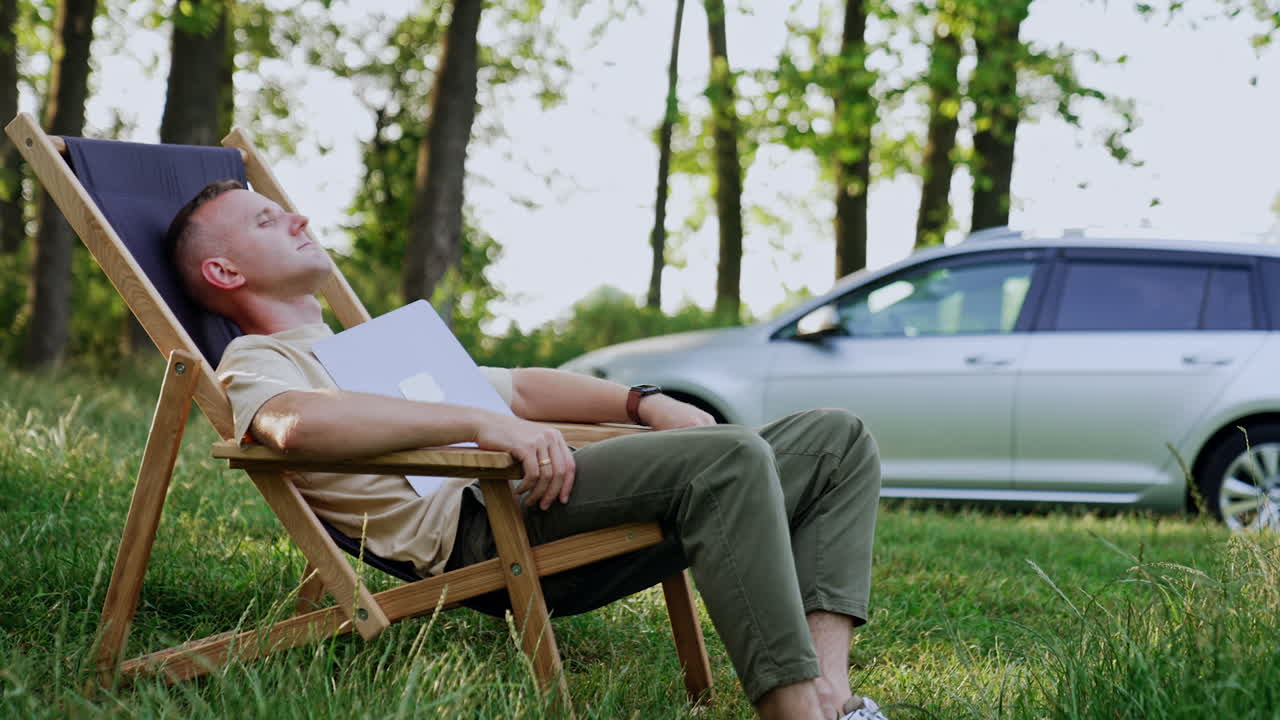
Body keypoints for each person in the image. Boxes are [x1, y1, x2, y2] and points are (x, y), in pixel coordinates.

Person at [167, 179, 888, 720]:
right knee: (732, 459)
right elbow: (291, 427)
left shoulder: (373, 345)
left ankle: (833, 698)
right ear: (225, 274)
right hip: (485, 528)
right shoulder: (259, 358)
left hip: (534, 492)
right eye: (266, 219)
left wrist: (646, 402)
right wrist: (482, 427)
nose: (297, 215)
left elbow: (525, 392)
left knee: (835, 440)